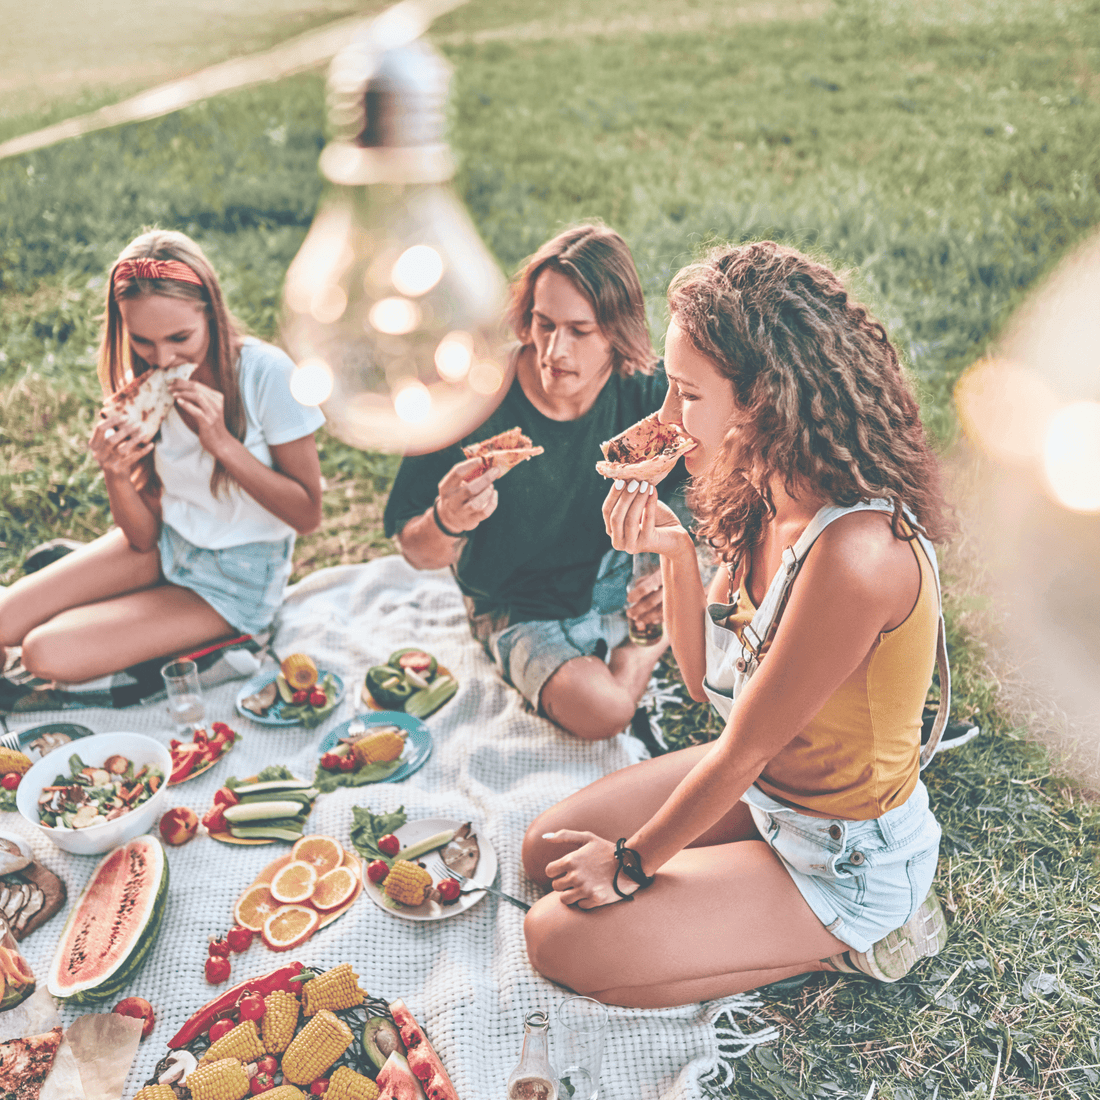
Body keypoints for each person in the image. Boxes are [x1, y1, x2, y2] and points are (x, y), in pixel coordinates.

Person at [521, 240, 955, 1007]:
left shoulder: (857, 556)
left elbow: (744, 749)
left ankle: (864, 939)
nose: (666, 421)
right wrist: (671, 552)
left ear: (762, 402)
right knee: (542, 853)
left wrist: (629, 864)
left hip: (840, 856)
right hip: (764, 796)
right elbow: (704, 683)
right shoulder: (761, 489)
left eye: (685, 396)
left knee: (556, 935)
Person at [383, 224, 682, 741]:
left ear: (617, 331)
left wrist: (678, 567)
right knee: (605, 712)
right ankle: (649, 648)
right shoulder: (471, 395)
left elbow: (710, 491)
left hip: (615, 573)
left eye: (579, 331)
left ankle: (657, 626)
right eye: (543, 324)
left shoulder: (647, 394)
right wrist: (446, 519)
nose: (553, 351)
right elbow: (415, 549)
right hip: (517, 599)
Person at [0, 229, 324, 683]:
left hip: (236, 578)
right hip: (167, 544)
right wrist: (115, 472)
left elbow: (308, 515)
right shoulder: (143, 384)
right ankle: (125, 612)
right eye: (144, 341)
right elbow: (142, 537)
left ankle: (227, 647)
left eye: (180, 337)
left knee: (43, 652)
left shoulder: (266, 376)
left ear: (210, 310)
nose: (164, 357)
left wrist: (223, 445)